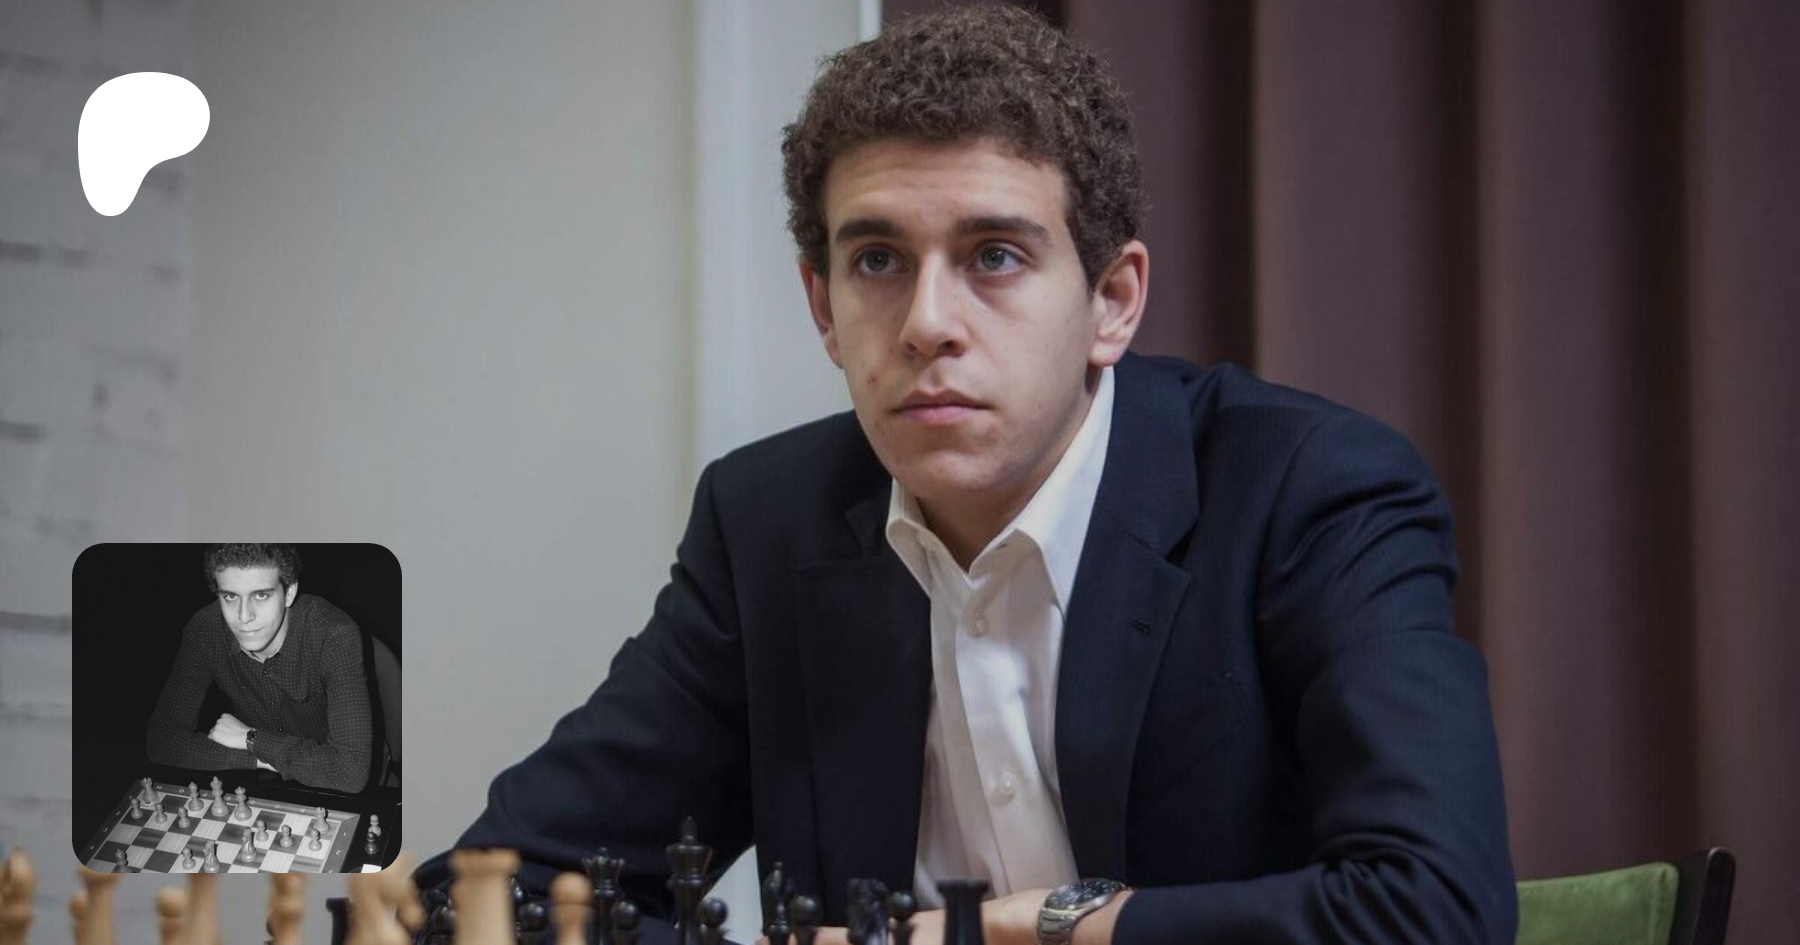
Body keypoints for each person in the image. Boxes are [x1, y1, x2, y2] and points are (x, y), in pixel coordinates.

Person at [421, 7, 1516, 945]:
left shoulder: (1308, 492)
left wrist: (1044, 926)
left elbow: (1436, 908)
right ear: (822, 307)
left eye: (994, 255)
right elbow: (478, 900)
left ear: (1112, 302)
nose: (927, 323)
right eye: (878, 261)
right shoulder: (766, 526)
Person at [145, 543, 373, 794]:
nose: (244, 617)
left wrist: (250, 738)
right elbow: (161, 741)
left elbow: (350, 771)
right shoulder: (205, 631)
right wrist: (259, 758)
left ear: (289, 592)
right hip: (262, 781)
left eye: (261, 595)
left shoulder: (334, 635)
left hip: (343, 789)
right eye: (230, 597)